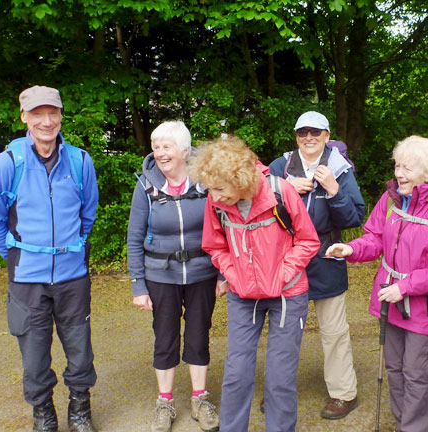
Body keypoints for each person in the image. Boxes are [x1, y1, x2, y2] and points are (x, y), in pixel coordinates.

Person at [0, 86, 99, 432]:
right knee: (34, 354)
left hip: (72, 276)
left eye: (52, 113)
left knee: (79, 349)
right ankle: (43, 413)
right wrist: (16, 255)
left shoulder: (80, 161)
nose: (46, 122)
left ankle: (80, 409)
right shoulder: (8, 163)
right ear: (24, 118)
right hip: (27, 278)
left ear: (61, 115)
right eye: (37, 114)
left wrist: (71, 249)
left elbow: (87, 215)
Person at [188, 136, 320, 432]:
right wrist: (233, 274)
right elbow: (214, 246)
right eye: (211, 189)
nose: (215, 197)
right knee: (236, 373)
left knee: (280, 377)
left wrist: (283, 273)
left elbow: (308, 240)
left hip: (287, 294)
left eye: (220, 189)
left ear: (241, 179)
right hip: (242, 293)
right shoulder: (216, 201)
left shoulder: (280, 191)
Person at [326, 136, 428, 431]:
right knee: (393, 368)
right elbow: (375, 237)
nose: (399, 173)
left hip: (423, 309)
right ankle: (402, 420)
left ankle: (414, 427)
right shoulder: (392, 199)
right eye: (397, 165)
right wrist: (351, 249)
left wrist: (405, 288)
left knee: (417, 373)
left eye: (408, 168)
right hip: (389, 301)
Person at [269, 111, 365, 419]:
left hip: (326, 255)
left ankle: (343, 394)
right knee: (283, 332)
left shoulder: (340, 168)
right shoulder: (279, 167)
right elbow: (255, 209)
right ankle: (277, 394)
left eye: (316, 132)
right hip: (285, 256)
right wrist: (284, 191)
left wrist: (334, 191)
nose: (308, 138)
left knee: (334, 330)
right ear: (295, 135)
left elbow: (354, 218)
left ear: (326, 135)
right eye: (302, 132)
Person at [127, 121, 221, 432]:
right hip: (160, 275)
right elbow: (134, 236)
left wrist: (223, 273)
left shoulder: (206, 181)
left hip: (201, 273)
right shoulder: (146, 186)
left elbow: (223, 227)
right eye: (155, 147)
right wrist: (138, 284)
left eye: (166, 146)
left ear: (184, 150)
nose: (160, 153)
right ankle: (164, 402)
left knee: (198, 333)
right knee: (164, 337)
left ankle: (199, 398)